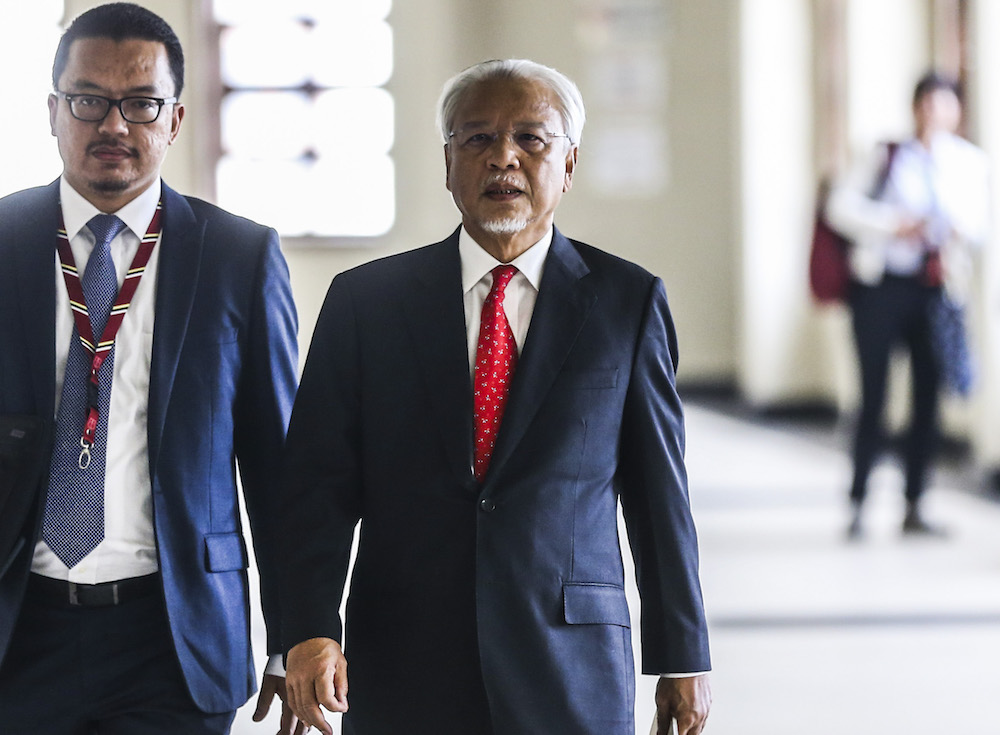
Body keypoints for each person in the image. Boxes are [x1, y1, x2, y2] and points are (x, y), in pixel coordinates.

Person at [279, 59, 712, 735]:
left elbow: (660, 495)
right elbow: (314, 488)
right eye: (477, 139)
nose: (503, 157)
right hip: (403, 655)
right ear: (448, 161)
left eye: (531, 139)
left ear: (568, 164)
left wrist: (683, 655)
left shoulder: (626, 303)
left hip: (570, 656)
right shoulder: (366, 303)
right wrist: (307, 629)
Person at [0, 4, 302, 733]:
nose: (113, 126)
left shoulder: (239, 258)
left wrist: (297, 631)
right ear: (52, 111)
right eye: (88, 101)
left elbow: (279, 467)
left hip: (171, 636)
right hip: (18, 633)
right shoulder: (2, 242)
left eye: (140, 104)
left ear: (174, 118)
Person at [827, 71, 989, 538]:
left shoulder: (969, 163)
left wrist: (951, 228)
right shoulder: (885, 155)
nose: (935, 113)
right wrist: (892, 224)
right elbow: (841, 207)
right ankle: (858, 500)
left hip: (935, 290)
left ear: (958, 111)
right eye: (928, 103)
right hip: (882, 287)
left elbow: (976, 227)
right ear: (915, 107)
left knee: (927, 399)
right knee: (874, 396)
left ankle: (916, 502)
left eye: (945, 105)